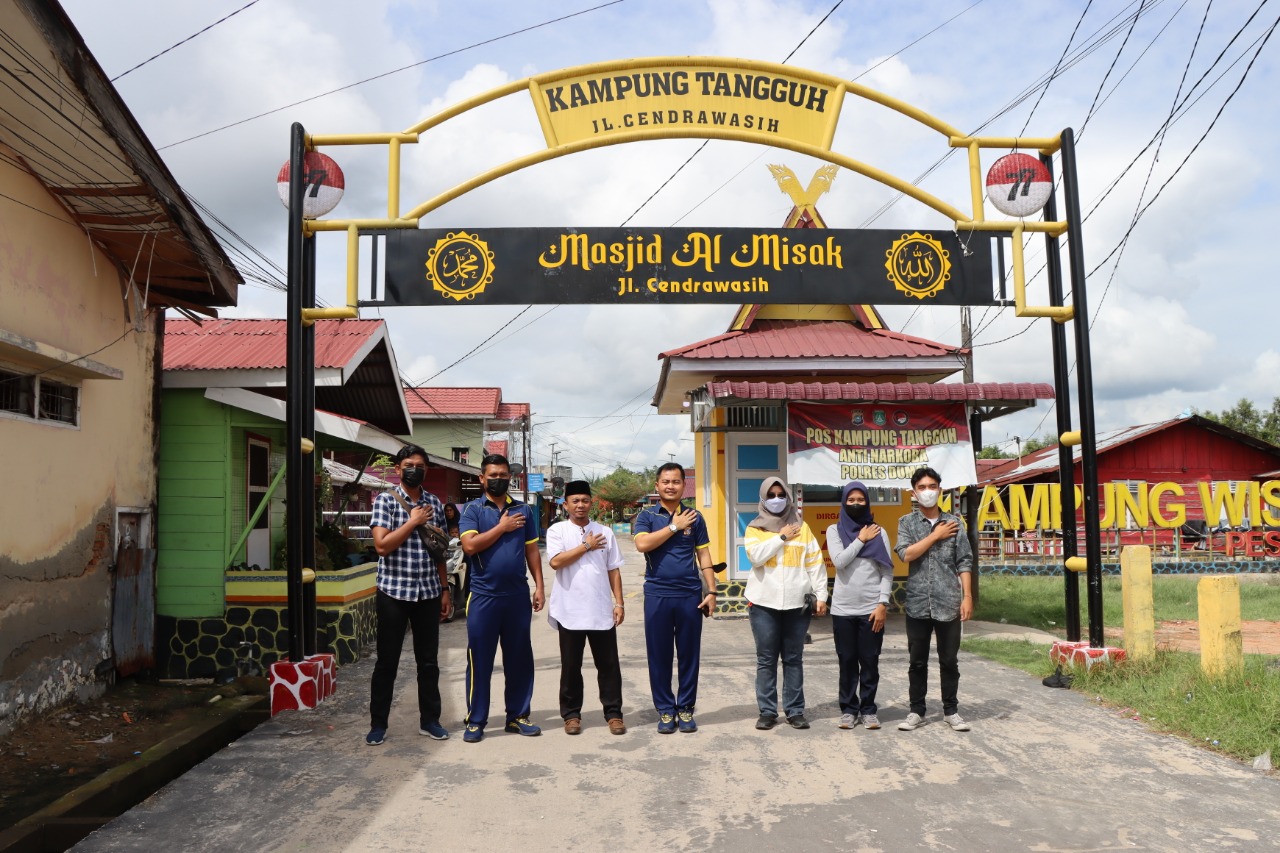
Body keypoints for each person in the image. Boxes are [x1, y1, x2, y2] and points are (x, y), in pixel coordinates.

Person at [365, 444, 451, 745]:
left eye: (421, 465)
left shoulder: (434, 503)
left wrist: (444, 589)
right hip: (393, 593)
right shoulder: (385, 501)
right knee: (386, 661)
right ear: (399, 469)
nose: (416, 469)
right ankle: (378, 724)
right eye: (410, 464)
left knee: (428, 662)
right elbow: (382, 546)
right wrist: (413, 521)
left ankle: (430, 721)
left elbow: (440, 550)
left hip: (427, 591)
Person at [458, 454, 546, 743]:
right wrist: (501, 528)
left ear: (511, 478)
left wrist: (540, 586)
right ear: (482, 478)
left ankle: (518, 716)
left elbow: (532, 550)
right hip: (483, 597)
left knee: (520, 659)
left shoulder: (522, 510)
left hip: (517, 596)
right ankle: (476, 720)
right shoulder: (472, 510)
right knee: (480, 660)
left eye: (504, 474)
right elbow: (470, 546)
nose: (499, 478)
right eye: (492, 474)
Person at [632, 463, 718, 734]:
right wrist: (673, 527)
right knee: (659, 655)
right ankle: (666, 711)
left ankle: (686, 709)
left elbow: (704, 556)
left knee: (689, 654)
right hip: (657, 594)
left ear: (684, 486)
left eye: (676, 481)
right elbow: (642, 544)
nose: (671, 486)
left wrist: (712, 592)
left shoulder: (695, 517)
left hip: (689, 595)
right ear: (656, 486)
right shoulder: (646, 516)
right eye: (666, 481)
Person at [743, 476, 827, 731]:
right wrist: (780, 537)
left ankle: (794, 711)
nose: (777, 499)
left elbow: (815, 563)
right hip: (763, 603)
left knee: (793, 658)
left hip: (796, 604)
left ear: (789, 498)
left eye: (781, 494)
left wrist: (821, 595)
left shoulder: (803, 528)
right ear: (763, 499)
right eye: (771, 495)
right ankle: (767, 712)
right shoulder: (755, 528)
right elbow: (755, 557)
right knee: (766, 659)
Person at [894, 467, 974, 732]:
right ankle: (916, 710)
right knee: (917, 661)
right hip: (918, 602)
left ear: (939, 489)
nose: (927, 491)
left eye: (932, 486)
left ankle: (951, 711)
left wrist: (967, 596)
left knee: (949, 660)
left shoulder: (954, 523)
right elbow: (906, 554)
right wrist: (935, 536)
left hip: (948, 601)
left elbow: (964, 560)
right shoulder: (906, 523)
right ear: (914, 491)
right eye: (922, 487)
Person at [546, 480, 627, 735]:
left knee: (609, 666)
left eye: (585, 500)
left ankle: (613, 714)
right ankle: (571, 715)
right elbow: (556, 562)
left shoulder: (605, 531)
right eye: (575, 501)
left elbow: (613, 569)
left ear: (591, 503)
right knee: (571, 666)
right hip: (569, 611)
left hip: (600, 609)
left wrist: (619, 602)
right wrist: (586, 546)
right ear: (566, 504)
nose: (580, 505)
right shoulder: (557, 531)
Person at [826, 481, 895, 731]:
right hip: (843, 610)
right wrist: (860, 539)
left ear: (868, 501)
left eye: (861, 500)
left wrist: (882, 604)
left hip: (871, 610)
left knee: (869, 661)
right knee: (847, 661)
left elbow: (887, 572)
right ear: (844, 501)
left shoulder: (879, 532)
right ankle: (848, 709)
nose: (856, 504)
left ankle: (868, 709)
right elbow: (839, 561)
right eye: (851, 500)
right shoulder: (834, 530)